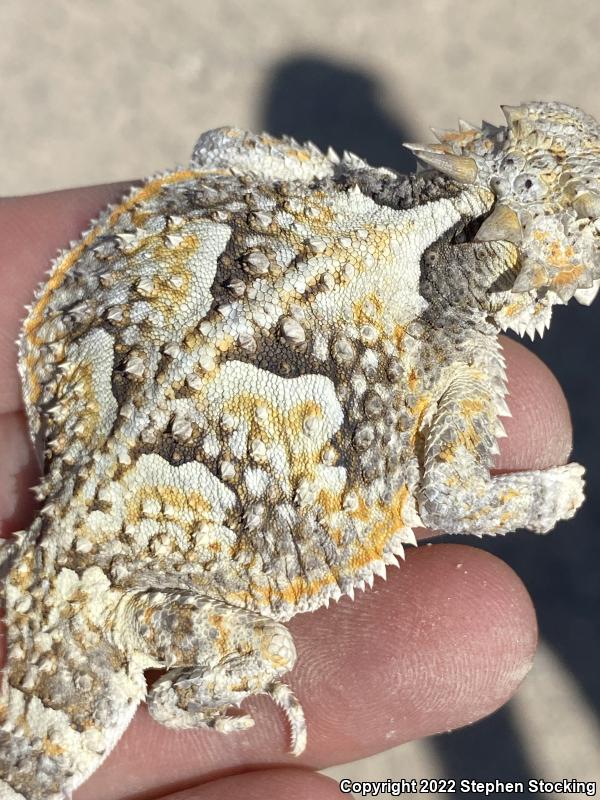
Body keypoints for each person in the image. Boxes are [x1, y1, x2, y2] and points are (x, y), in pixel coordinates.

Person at [0, 185, 575, 799]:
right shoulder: (454, 345)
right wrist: (553, 498)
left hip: (61, 522)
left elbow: (221, 147)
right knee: (264, 649)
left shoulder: (336, 186)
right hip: (132, 589)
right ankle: (181, 699)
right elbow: (453, 499)